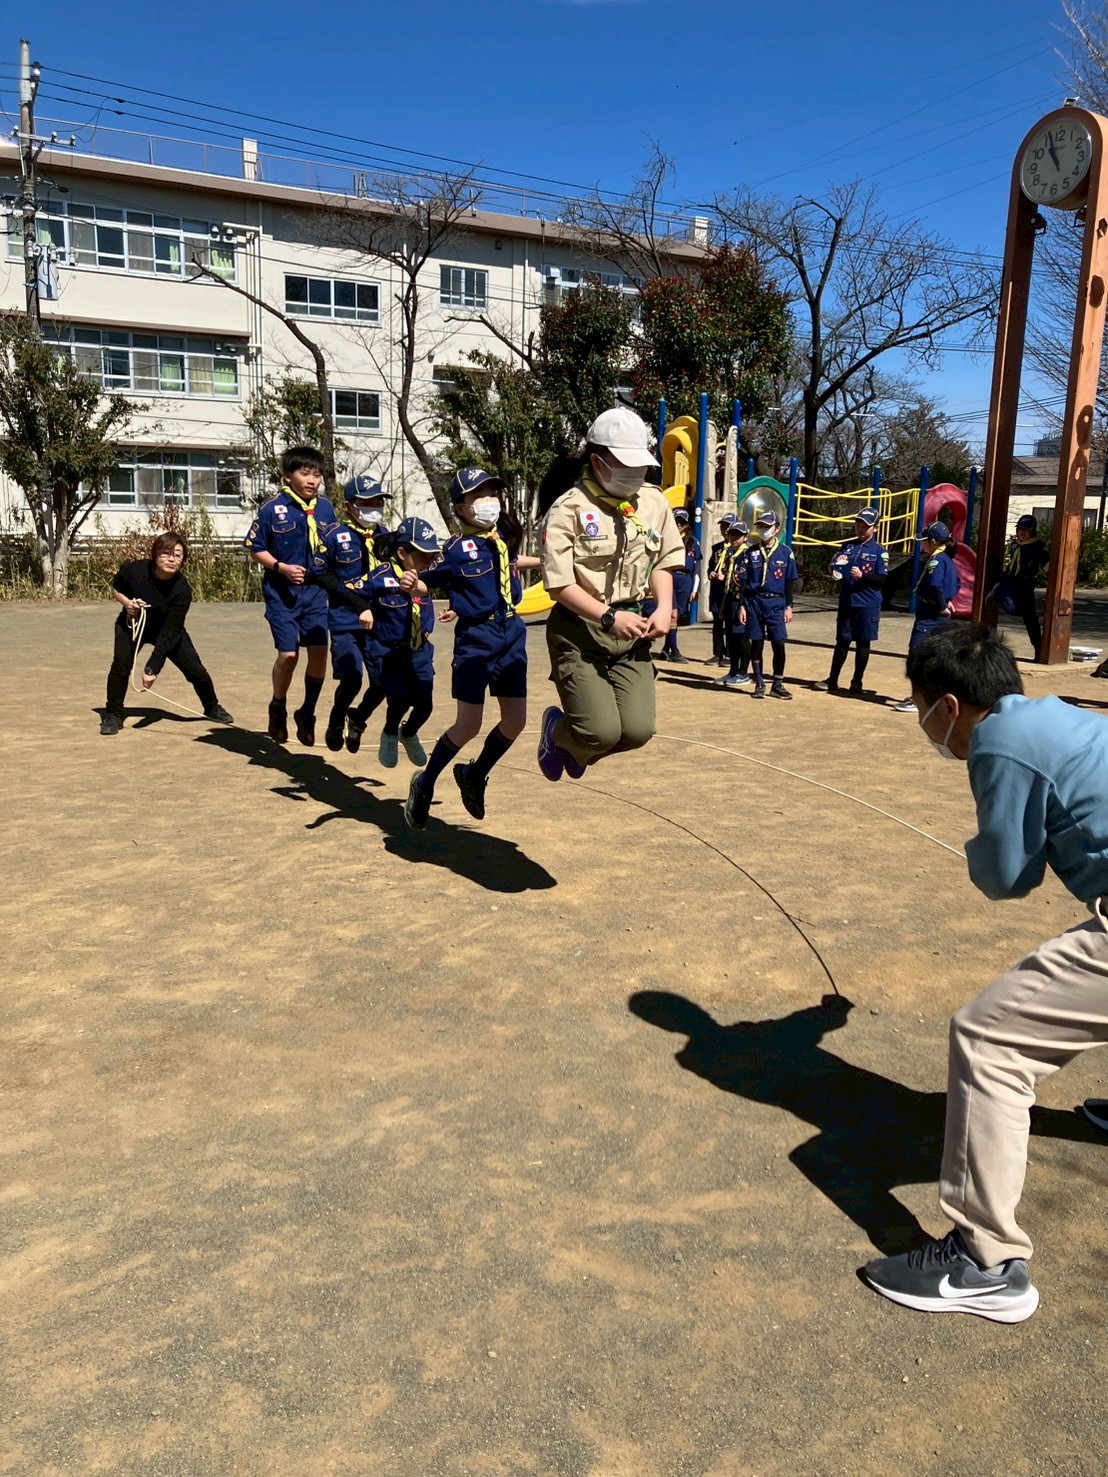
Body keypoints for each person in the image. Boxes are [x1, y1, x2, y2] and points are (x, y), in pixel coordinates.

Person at [863, 622, 1108, 1324]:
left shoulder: (999, 741)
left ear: (947, 704)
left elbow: (1006, 877)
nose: (924, 725)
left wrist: (977, 854)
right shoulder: (1057, 714)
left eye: (920, 709)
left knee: (988, 1036)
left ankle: (986, 1261)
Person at [536, 406, 684, 779]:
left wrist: (664, 606)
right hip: (580, 630)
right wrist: (607, 616)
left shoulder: (653, 501)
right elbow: (558, 584)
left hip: (632, 631)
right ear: (598, 461)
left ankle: (577, 750)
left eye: (640, 465)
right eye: (624, 464)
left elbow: (665, 559)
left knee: (637, 731)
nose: (635, 473)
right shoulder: (568, 509)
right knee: (599, 731)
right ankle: (557, 732)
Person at [399, 468, 539, 829]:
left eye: (493, 492)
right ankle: (424, 784)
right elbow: (430, 583)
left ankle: (474, 774)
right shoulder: (455, 550)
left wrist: (545, 561)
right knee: (468, 725)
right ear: (461, 508)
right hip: (476, 641)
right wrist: (415, 585)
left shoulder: (503, 535)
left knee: (516, 720)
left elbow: (508, 562)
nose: (490, 501)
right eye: (480, 496)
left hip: (512, 634)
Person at [243, 446, 337, 746]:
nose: (312, 480)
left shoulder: (325, 508)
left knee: (320, 652)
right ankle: (278, 705)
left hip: (315, 592)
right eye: (304, 473)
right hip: (281, 593)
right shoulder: (272, 509)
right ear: (288, 475)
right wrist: (281, 568)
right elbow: (255, 547)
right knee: (289, 655)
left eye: (317, 474)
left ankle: (307, 712)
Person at [101, 532, 233, 734]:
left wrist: (152, 668)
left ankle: (212, 707)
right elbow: (117, 588)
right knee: (120, 665)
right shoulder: (134, 571)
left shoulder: (182, 590)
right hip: (133, 624)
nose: (172, 559)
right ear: (155, 555)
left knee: (195, 669)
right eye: (166, 553)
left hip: (167, 629)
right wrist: (127, 604)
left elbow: (170, 632)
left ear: (183, 560)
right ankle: (113, 714)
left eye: (178, 555)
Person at [310, 475, 392, 753]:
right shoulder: (333, 535)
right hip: (346, 620)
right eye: (367, 502)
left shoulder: (385, 538)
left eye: (378, 502)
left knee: (383, 681)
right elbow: (322, 574)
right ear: (348, 507)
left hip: (380, 622)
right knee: (352, 679)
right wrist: (358, 604)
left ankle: (357, 719)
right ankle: (336, 719)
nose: (374, 507)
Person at [364, 517, 440, 768]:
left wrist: (454, 609)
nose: (429, 560)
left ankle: (407, 733)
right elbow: (354, 591)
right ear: (401, 553)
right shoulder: (382, 576)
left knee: (425, 704)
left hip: (420, 650)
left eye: (431, 554)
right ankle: (389, 732)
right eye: (422, 554)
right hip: (391, 652)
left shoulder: (429, 576)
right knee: (399, 700)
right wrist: (364, 610)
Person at [815, 508, 887, 695]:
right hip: (847, 601)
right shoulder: (847, 546)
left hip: (867, 604)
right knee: (842, 641)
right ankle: (832, 679)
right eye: (858, 526)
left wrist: (863, 576)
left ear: (876, 529)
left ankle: (857, 681)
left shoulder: (879, 552)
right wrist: (834, 570)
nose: (860, 530)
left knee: (863, 643)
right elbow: (833, 563)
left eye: (865, 527)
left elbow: (882, 578)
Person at [891, 523, 961, 714]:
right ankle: (934, 698)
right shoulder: (947, 558)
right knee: (934, 657)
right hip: (933, 614)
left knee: (917, 658)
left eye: (925, 541)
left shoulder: (937, 560)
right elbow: (957, 582)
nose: (923, 545)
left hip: (930, 616)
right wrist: (949, 600)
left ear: (932, 541)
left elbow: (935, 586)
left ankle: (918, 699)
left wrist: (941, 606)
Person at [735, 509, 797, 700]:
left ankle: (777, 682)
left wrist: (789, 606)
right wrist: (742, 605)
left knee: (778, 642)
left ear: (776, 529)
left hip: (776, 602)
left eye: (767, 527)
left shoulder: (786, 553)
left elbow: (789, 582)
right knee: (757, 641)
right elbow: (742, 582)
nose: (763, 530)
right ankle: (759, 682)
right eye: (761, 526)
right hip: (754, 601)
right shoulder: (750, 553)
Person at [986, 513, 1050, 660]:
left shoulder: (1038, 547)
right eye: (1020, 529)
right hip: (1009, 581)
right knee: (1011, 609)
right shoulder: (1015, 545)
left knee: (1029, 618)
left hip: (1025, 583)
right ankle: (998, 593)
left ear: (1032, 531)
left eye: (1026, 530)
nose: (1022, 532)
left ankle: (1038, 649)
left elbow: (1046, 566)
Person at [656, 507, 700, 664]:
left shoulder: (693, 543)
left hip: (685, 580)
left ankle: (666, 649)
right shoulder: (665, 539)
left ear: (687, 525)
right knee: (672, 614)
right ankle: (674, 651)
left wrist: (696, 589)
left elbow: (697, 569)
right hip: (669, 577)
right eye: (676, 522)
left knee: (677, 615)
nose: (679, 525)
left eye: (682, 523)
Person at [715, 519, 753, 690]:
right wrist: (724, 604)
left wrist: (744, 604)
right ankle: (733, 670)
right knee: (731, 636)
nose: (734, 537)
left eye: (738, 534)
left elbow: (747, 582)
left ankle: (743, 673)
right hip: (730, 598)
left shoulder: (748, 554)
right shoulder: (730, 553)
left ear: (745, 537)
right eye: (732, 534)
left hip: (742, 600)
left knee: (742, 637)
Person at [707, 513, 736, 665]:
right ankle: (717, 653)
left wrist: (725, 578)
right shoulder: (717, 548)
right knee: (717, 623)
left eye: (728, 526)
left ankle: (730, 655)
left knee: (730, 624)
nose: (725, 530)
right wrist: (710, 573)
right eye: (723, 526)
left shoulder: (739, 549)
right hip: (716, 591)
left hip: (730, 591)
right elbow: (710, 567)